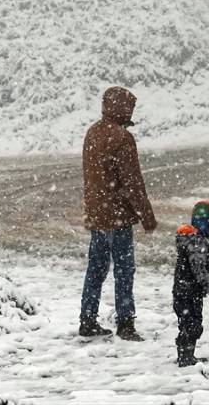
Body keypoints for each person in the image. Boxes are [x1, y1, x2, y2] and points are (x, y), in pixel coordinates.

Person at [79, 86, 157, 341]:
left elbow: (94, 179)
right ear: (123, 108)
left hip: (98, 215)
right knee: (123, 271)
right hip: (118, 217)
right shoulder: (122, 138)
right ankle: (125, 324)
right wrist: (146, 215)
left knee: (96, 270)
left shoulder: (93, 132)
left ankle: (88, 319)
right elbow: (132, 183)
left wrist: (95, 208)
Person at [173, 200, 209, 366]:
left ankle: (186, 354)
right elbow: (199, 270)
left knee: (188, 323)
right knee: (192, 325)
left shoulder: (189, 240)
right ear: (204, 222)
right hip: (190, 292)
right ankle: (185, 357)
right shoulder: (197, 243)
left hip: (182, 291)